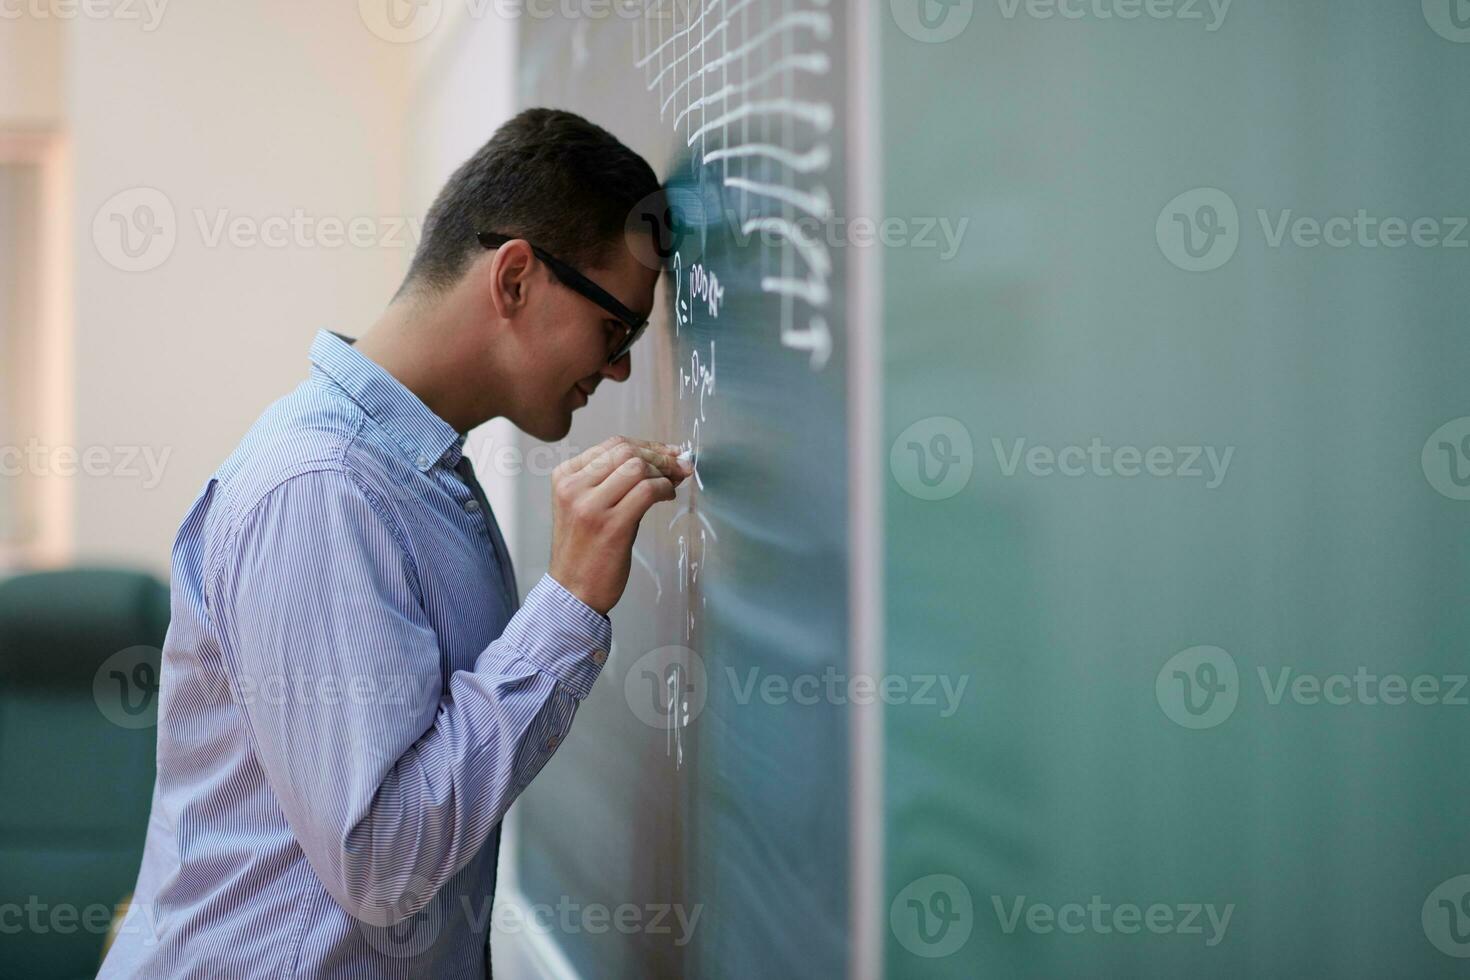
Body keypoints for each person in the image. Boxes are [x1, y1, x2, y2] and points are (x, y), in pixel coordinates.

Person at [98, 107, 691, 979]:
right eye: (618, 328)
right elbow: (383, 861)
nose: (622, 371)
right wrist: (566, 605)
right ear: (517, 278)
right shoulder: (323, 489)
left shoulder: (417, 475)